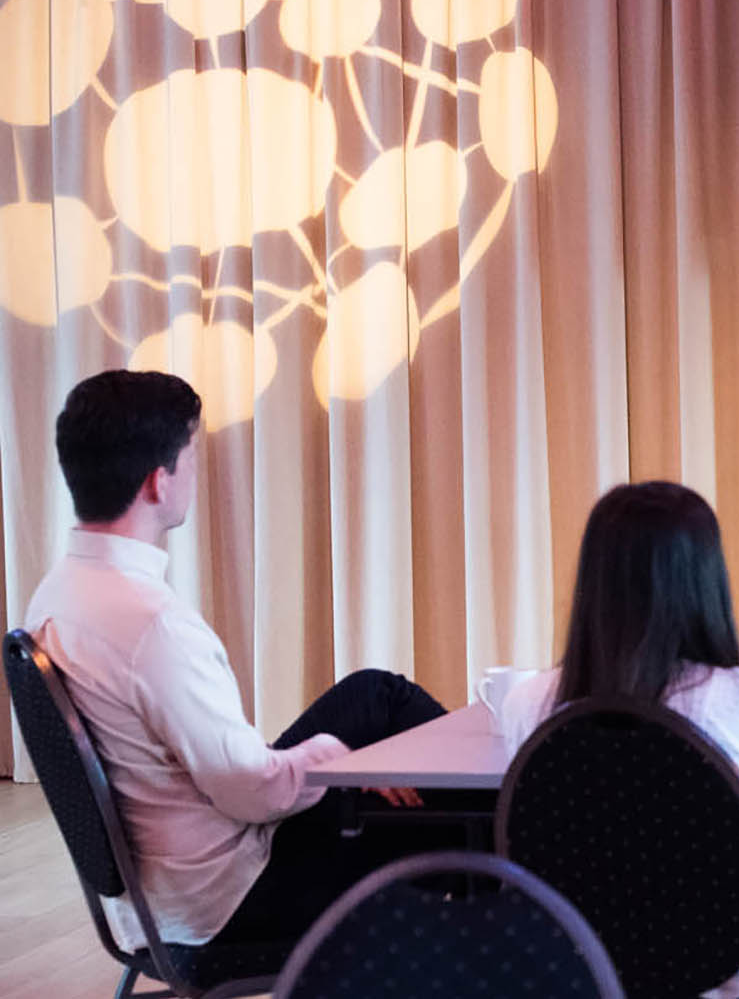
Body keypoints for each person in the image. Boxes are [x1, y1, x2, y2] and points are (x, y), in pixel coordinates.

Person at [24, 370, 451, 951]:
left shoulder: (55, 593)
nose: (194, 474)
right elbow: (253, 793)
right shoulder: (152, 624)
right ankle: (529, 866)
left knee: (377, 694)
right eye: (191, 457)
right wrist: (338, 758)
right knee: (455, 824)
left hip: (161, 884)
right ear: (158, 482)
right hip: (232, 897)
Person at [500, 481, 739, 999]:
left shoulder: (527, 705)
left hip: (585, 973)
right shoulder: (738, 702)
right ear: (703, 582)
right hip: (732, 979)